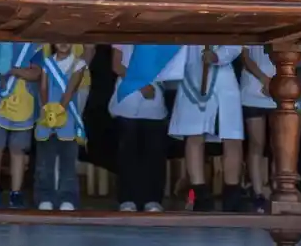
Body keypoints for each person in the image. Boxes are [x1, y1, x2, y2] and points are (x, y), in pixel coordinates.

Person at [168, 44, 245, 212]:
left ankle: (232, 194)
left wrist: (218, 56)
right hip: (191, 74)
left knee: (232, 136)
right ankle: (199, 194)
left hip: (223, 77)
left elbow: (236, 41)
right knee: (194, 134)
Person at [109, 44, 169, 212]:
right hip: (128, 97)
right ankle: (127, 198)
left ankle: (153, 199)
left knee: (154, 152)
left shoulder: (160, 38)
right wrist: (140, 84)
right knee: (128, 153)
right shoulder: (122, 35)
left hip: (154, 98)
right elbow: (117, 65)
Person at [0, 42, 41, 208]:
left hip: (24, 106)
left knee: (18, 150)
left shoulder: (34, 45)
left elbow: (36, 73)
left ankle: (16, 193)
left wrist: (13, 70)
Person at [35, 41, 88, 211]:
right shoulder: (46, 62)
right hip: (47, 116)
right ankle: (45, 196)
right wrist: (46, 108)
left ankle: (68, 198)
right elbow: (43, 88)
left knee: (68, 161)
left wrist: (59, 109)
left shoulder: (79, 63)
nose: (64, 44)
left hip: (67, 117)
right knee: (45, 161)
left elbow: (71, 89)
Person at [239, 44, 276, 212]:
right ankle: (258, 192)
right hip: (253, 89)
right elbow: (245, 57)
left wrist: (275, 81)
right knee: (256, 144)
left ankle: (278, 189)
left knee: (280, 146)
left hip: (282, 87)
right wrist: (265, 80)